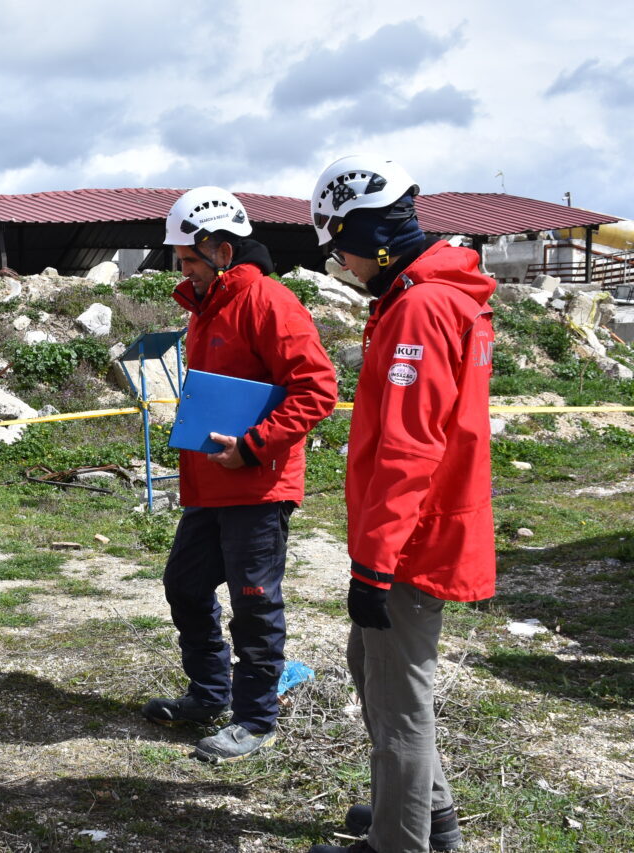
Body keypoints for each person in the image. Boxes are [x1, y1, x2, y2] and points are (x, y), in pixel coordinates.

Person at [306, 155, 496, 853]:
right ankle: (427, 814)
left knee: (398, 710)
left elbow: (409, 447)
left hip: (413, 540)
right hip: (427, 526)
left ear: (370, 237)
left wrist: (374, 564)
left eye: (342, 251)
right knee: (370, 667)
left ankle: (400, 841)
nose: (345, 267)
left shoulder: (419, 307)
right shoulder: (437, 294)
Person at [143, 186, 338, 762]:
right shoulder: (207, 306)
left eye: (189, 259)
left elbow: (317, 389)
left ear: (222, 251)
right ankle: (210, 694)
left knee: (254, 602)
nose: (183, 270)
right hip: (211, 484)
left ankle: (255, 720)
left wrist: (253, 447)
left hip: (257, 484)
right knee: (185, 585)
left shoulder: (269, 301)